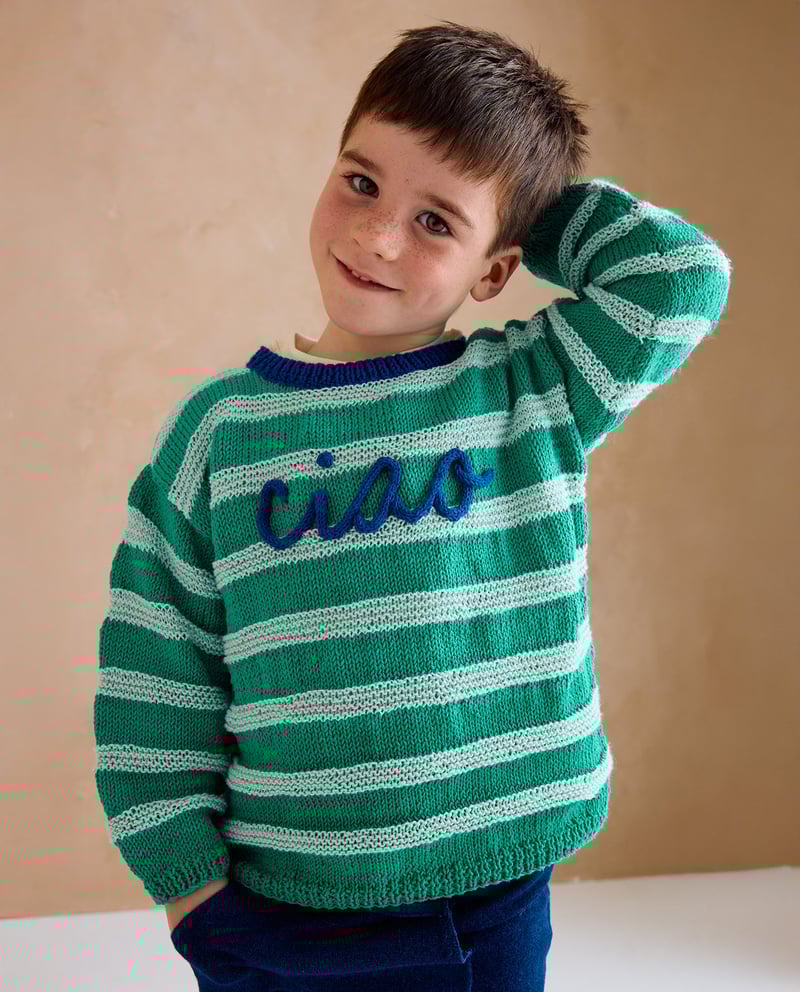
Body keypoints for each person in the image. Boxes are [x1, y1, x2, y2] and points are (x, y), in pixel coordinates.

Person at [93, 18, 732, 992]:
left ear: (495, 268)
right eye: (361, 182)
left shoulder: (532, 388)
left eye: (437, 221)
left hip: (490, 895)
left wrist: (523, 195)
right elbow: (155, 668)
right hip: (276, 909)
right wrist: (188, 886)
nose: (377, 235)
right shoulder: (218, 435)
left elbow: (679, 279)